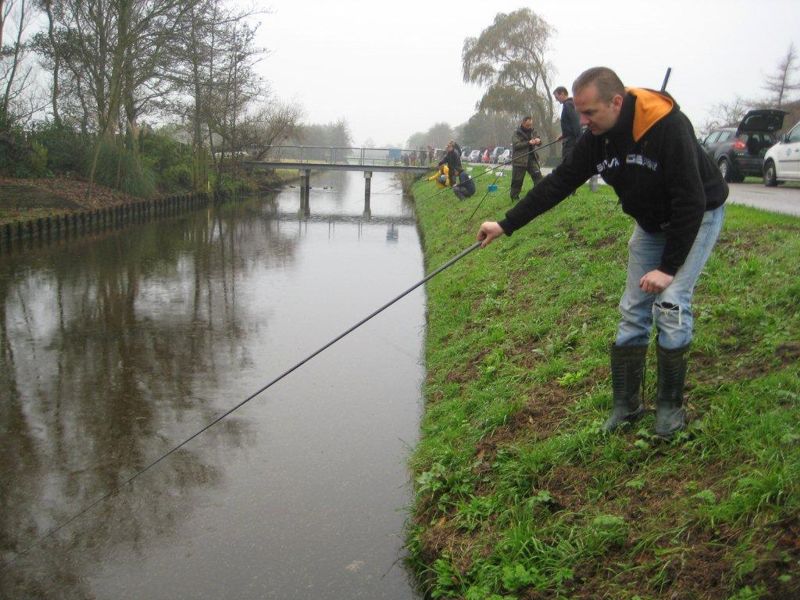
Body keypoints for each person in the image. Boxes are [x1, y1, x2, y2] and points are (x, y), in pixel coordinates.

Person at [477, 67, 728, 438]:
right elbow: (560, 182)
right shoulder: (596, 137)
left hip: (696, 215)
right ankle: (626, 407)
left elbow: (690, 200)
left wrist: (668, 267)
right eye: (579, 112)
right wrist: (506, 223)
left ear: (616, 102)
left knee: (672, 303)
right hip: (649, 223)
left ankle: (669, 411)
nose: (583, 120)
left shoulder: (667, 127)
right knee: (632, 309)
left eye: (589, 112)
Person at [509, 116, 543, 202]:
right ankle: (514, 197)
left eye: (531, 125)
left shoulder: (533, 131)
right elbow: (516, 145)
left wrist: (539, 141)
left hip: (531, 159)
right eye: (528, 125)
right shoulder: (516, 133)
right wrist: (528, 142)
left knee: (538, 177)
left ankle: (538, 195)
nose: (529, 127)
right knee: (517, 180)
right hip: (519, 160)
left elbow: (539, 141)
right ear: (523, 123)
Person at [554, 86, 582, 163]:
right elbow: (570, 126)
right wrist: (563, 134)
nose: (556, 100)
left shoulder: (568, 105)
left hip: (571, 143)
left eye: (557, 97)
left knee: (568, 166)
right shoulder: (570, 104)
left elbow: (576, 123)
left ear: (562, 94)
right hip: (570, 140)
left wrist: (579, 142)